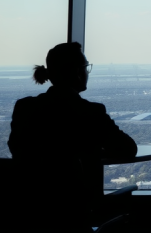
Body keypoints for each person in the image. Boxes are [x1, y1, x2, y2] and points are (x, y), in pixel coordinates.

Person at [8, 41, 137, 230]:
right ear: (77, 72)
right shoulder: (90, 112)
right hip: (76, 216)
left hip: (30, 215)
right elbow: (128, 149)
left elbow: (18, 149)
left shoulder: (24, 108)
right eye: (86, 67)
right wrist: (94, 150)